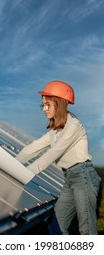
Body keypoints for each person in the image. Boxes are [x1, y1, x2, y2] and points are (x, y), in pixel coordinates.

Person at [16, 80, 101, 235]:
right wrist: (13, 164)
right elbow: (33, 148)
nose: (44, 109)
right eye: (43, 105)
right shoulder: (55, 131)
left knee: (87, 229)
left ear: (60, 104)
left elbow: (53, 153)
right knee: (56, 227)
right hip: (70, 179)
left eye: (48, 105)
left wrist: (25, 173)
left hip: (84, 177)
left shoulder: (74, 126)